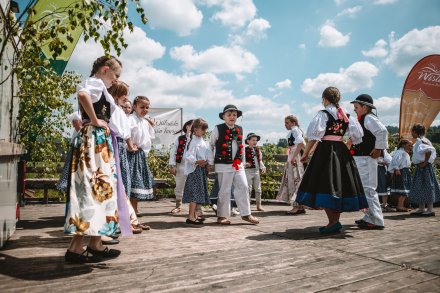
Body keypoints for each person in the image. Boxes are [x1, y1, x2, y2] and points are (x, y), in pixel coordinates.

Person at [64, 55, 127, 263]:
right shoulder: (95, 82)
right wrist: (93, 120)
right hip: (94, 141)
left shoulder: (102, 88)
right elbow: (82, 94)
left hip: (98, 142)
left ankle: (94, 242)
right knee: (95, 188)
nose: (116, 80)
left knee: (100, 191)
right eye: (116, 75)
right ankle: (79, 247)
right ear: (106, 69)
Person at [296, 87, 367, 234]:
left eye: (323, 99)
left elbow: (314, 136)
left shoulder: (323, 114)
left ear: (325, 99)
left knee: (325, 184)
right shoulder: (346, 115)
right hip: (341, 151)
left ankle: (333, 222)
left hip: (326, 151)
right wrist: (346, 144)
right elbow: (358, 134)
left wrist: (306, 153)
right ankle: (334, 222)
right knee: (339, 184)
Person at [107, 81, 148, 233]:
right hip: (116, 146)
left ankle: (129, 219)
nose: (126, 98)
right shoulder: (115, 110)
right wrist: (130, 145)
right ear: (117, 94)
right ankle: (125, 221)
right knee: (120, 184)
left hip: (120, 148)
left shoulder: (117, 110)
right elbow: (124, 133)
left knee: (123, 185)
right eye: (124, 94)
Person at [210, 104, 260, 225]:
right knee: (224, 190)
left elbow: (241, 147)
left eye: (234, 115)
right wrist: (211, 162)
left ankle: (246, 214)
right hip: (223, 164)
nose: (232, 117)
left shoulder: (240, 129)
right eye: (229, 115)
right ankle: (222, 216)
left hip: (238, 164)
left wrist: (242, 161)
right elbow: (211, 145)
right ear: (224, 117)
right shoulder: (218, 128)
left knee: (243, 186)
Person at [351, 94, 388, 230]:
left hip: (367, 158)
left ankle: (377, 220)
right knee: (365, 189)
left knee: (368, 189)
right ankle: (369, 217)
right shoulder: (364, 119)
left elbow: (382, 132)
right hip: (363, 158)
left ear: (365, 107)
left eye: (356, 107)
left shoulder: (369, 118)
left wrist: (378, 149)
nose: (354, 109)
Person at [127, 96, 155, 215]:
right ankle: (130, 211)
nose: (145, 109)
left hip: (140, 154)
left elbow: (149, 138)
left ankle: (134, 210)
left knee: (137, 182)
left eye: (147, 107)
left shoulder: (145, 122)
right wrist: (129, 145)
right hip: (131, 153)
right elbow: (125, 133)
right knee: (132, 182)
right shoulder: (130, 119)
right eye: (142, 107)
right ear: (134, 107)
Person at [182, 118, 213, 225]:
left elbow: (208, 154)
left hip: (201, 170)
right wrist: (196, 161)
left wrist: (209, 163)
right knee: (194, 193)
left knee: (198, 192)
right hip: (195, 170)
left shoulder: (203, 142)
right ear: (195, 129)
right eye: (202, 129)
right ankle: (191, 216)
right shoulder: (193, 141)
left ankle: (194, 215)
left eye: (205, 129)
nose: (204, 131)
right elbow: (188, 155)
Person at [276, 115, 306, 215]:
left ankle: (296, 206)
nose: (285, 125)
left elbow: (301, 143)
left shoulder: (295, 130)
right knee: (296, 179)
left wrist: (293, 157)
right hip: (293, 155)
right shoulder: (296, 130)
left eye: (287, 123)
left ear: (293, 123)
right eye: (285, 123)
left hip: (294, 156)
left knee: (294, 180)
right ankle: (300, 206)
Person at [409, 124, 440, 217]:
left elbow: (429, 151)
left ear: (415, 132)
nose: (411, 133)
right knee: (420, 187)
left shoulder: (422, 141)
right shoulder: (420, 140)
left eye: (412, 131)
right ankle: (422, 208)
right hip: (421, 167)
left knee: (427, 186)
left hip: (424, 167)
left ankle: (430, 209)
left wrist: (425, 163)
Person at [169, 120, 193, 214]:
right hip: (181, 165)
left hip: (192, 166)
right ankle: (178, 206)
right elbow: (173, 151)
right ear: (187, 127)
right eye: (192, 125)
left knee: (193, 186)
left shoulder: (197, 139)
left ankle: (194, 208)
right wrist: (172, 165)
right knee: (179, 185)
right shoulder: (180, 139)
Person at [388, 139, 413, 212]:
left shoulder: (403, 152)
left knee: (403, 189)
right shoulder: (400, 152)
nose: (410, 147)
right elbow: (394, 160)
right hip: (402, 171)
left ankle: (400, 205)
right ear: (403, 145)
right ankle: (400, 206)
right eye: (409, 145)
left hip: (404, 171)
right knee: (403, 189)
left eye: (411, 145)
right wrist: (397, 169)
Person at [244, 132, 266, 211]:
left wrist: (262, 167)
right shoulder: (244, 150)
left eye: (256, 140)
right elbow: (242, 160)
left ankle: (258, 205)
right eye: (253, 140)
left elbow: (260, 160)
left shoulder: (257, 150)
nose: (255, 142)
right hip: (248, 171)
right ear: (248, 141)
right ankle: (247, 206)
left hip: (256, 171)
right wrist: (245, 164)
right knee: (248, 189)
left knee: (258, 189)